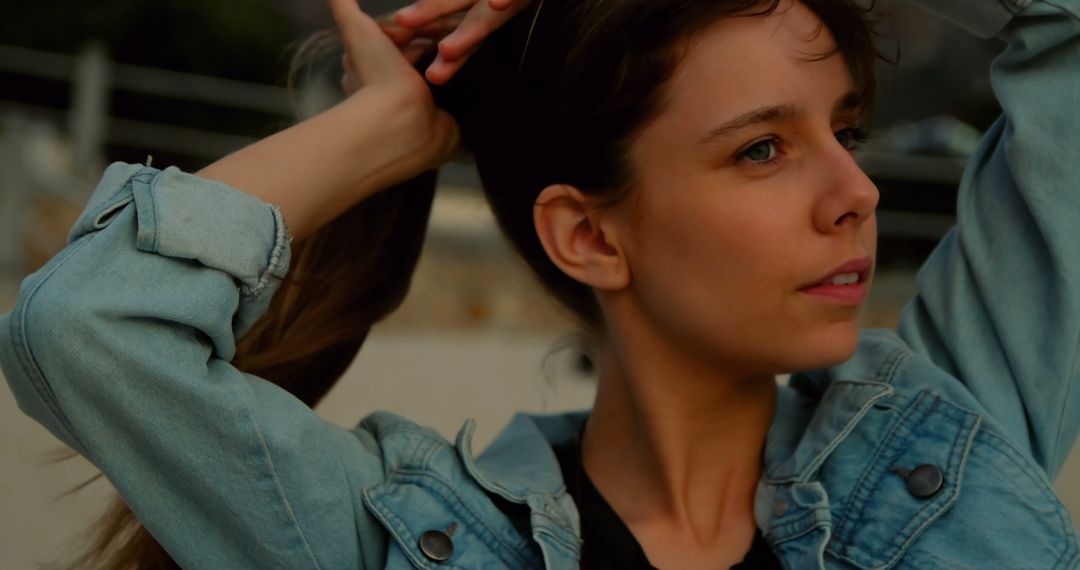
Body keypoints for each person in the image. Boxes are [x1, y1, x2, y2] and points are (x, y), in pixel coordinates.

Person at [2, 0, 1078, 567]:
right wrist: (390, 129)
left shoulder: (943, 459)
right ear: (589, 236)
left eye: (846, 131)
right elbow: (87, 325)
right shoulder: (395, 540)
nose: (857, 192)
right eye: (761, 149)